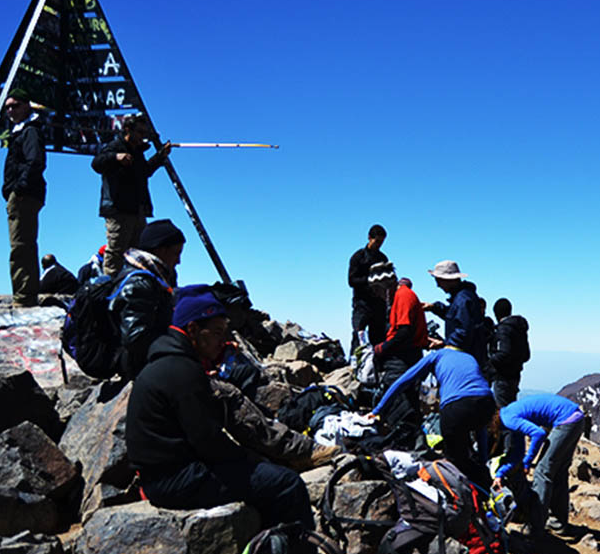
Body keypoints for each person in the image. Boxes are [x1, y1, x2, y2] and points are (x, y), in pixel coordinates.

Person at [126, 286, 313, 527]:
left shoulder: (167, 363)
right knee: (287, 484)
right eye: (216, 333)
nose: (222, 341)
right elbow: (208, 442)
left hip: (161, 476)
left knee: (264, 477)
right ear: (193, 330)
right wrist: (253, 461)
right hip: (175, 480)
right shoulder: (183, 371)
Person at [370, 347, 494, 489]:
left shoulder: (436, 356)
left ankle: (466, 498)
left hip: (455, 405)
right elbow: (481, 427)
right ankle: (489, 490)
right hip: (487, 402)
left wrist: (377, 410)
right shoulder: (468, 357)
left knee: (454, 462)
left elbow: (402, 382)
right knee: (469, 452)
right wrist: (484, 460)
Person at [493, 394, 589, 537]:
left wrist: (528, 461)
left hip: (566, 421)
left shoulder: (508, 420)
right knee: (558, 474)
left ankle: (535, 527)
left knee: (542, 472)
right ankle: (559, 524)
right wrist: (500, 474)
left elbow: (538, 434)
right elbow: (518, 453)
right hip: (575, 418)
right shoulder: (508, 413)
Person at [91, 115, 172, 275]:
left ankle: (134, 285)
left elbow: (145, 171)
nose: (143, 136)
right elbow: (96, 163)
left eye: (145, 133)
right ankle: (109, 288)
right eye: (140, 132)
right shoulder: (115, 146)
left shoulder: (137, 152)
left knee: (139, 251)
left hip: (137, 209)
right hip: (118, 208)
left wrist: (160, 156)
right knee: (117, 250)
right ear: (128, 130)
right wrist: (116, 157)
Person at [111, 218, 185, 379]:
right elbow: (136, 338)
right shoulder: (139, 283)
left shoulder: (155, 278)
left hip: (148, 360)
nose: (178, 261)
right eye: (176, 253)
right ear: (160, 250)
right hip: (137, 365)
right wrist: (181, 343)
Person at [371, 276, 430, 448]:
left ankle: (406, 444)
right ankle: (413, 443)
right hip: (406, 355)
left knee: (400, 400)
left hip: (403, 358)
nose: (379, 295)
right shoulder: (404, 296)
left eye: (377, 290)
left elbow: (404, 331)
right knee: (407, 399)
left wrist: (383, 348)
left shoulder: (403, 296)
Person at [0, 91, 46, 307]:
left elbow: (35, 161)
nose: (10, 110)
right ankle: (24, 294)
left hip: (24, 195)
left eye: (15, 105)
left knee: (21, 245)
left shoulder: (30, 132)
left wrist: (18, 189)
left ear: (27, 106)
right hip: (22, 193)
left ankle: (24, 297)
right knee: (22, 244)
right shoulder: (21, 131)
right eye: (7, 107)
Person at [425, 260, 487, 371]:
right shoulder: (462, 297)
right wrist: (433, 307)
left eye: (438, 280)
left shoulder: (463, 299)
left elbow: (464, 331)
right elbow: (455, 316)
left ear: (449, 280)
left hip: (466, 362)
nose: (438, 285)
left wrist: (445, 344)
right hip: (470, 359)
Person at [348, 224, 391, 353]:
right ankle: (355, 363)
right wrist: (370, 281)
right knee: (358, 334)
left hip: (379, 304)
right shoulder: (358, 257)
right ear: (369, 238)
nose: (379, 245)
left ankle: (377, 367)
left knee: (378, 337)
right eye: (377, 241)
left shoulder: (382, 258)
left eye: (382, 242)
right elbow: (352, 281)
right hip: (362, 303)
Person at [487, 298, 530, 406]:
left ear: (496, 313)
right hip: (515, 375)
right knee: (510, 407)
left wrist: (488, 361)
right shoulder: (518, 329)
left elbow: (503, 353)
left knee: (502, 410)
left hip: (502, 377)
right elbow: (526, 355)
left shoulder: (503, 330)